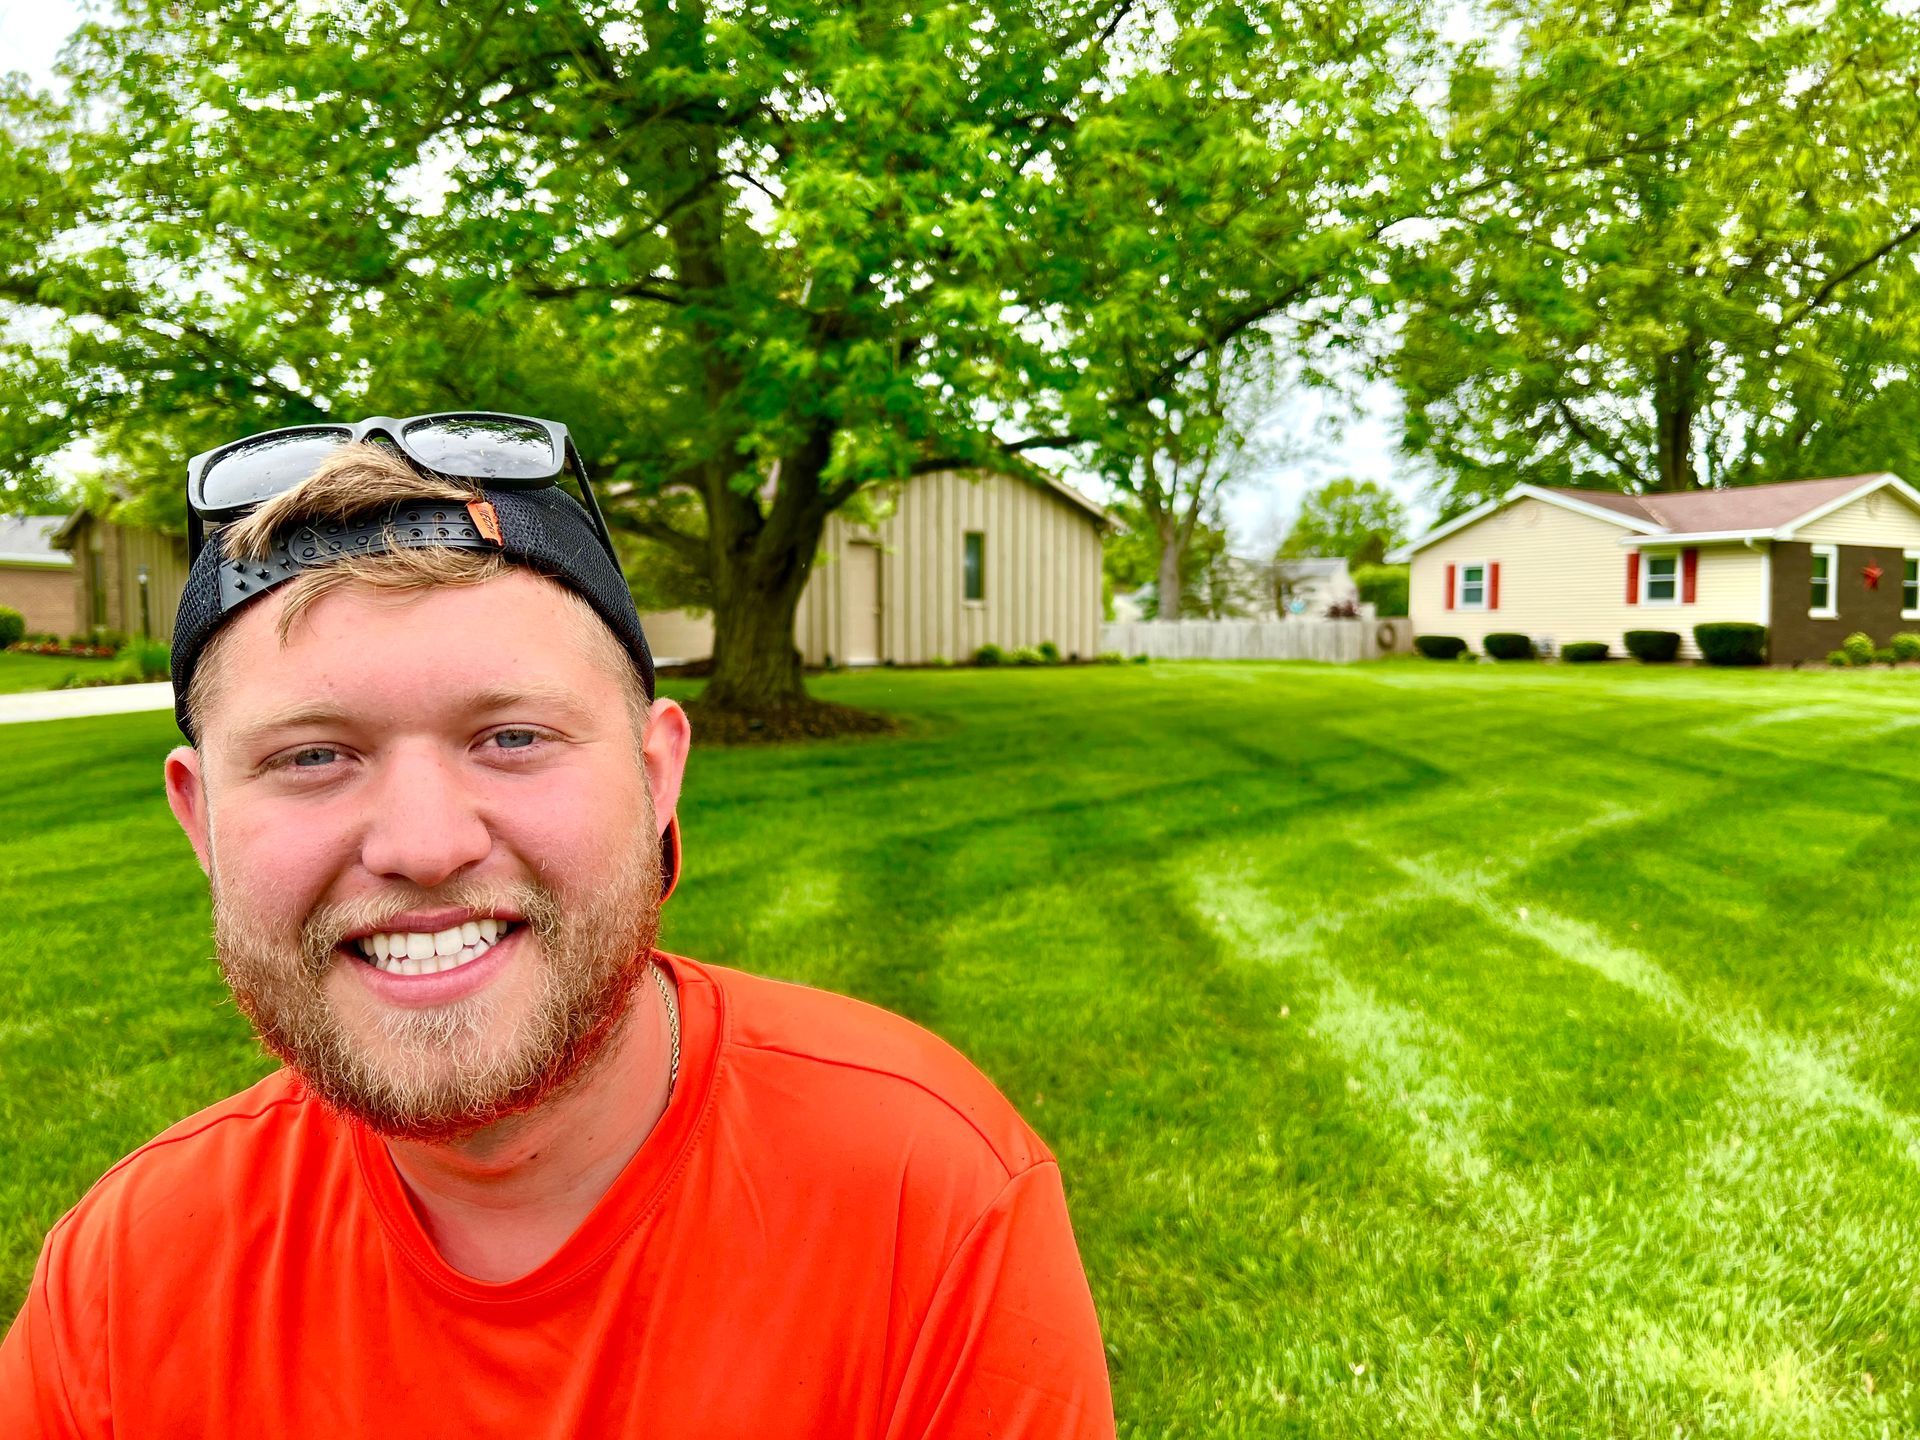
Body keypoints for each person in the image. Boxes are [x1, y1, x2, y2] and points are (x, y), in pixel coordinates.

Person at [0, 414, 1115, 1437]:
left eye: (514, 737)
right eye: (312, 757)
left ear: (655, 773)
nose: (425, 843)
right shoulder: (127, 1276)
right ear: (201, 818)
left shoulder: (926, 1196)